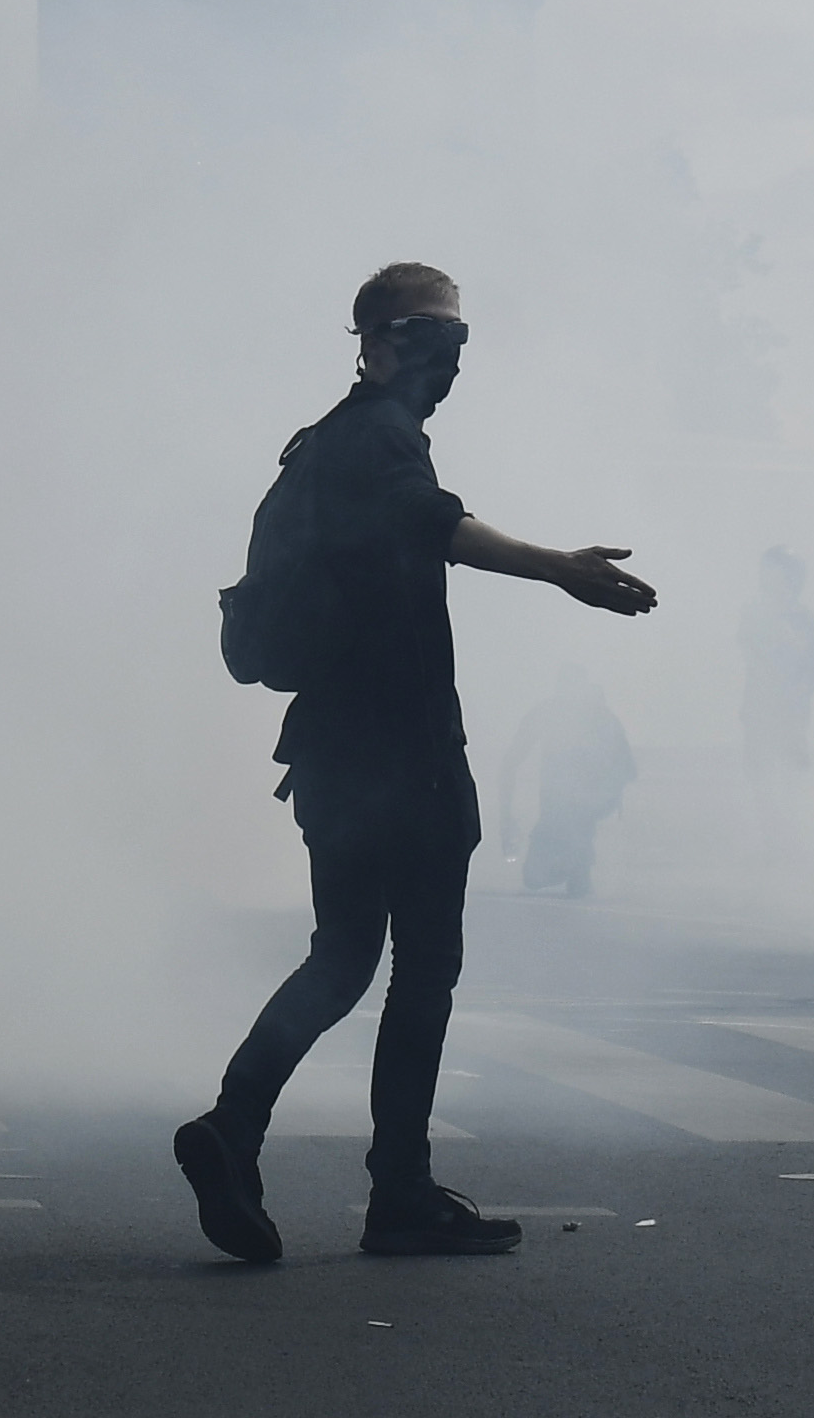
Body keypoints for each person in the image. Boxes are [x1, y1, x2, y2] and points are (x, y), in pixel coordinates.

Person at [178, 263, 655, 1267]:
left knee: (345, 954)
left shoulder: (320, 447)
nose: (448, 371)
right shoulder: (379, 440)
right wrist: (562, 567)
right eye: (434, 348)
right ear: (381, 345)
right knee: (423, 967)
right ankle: (398, 1192)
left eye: (459, 351)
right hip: (404, 755)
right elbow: (439, 525)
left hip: (332, 752)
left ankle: (235, 1126)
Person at [508, 667, 636, 899]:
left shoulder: (601, 718)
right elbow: (513, 758)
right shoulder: (548, 713)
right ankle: (574, 868)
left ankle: (579, 870)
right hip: (556, 802)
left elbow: (627, 766)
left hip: (586, 801)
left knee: (577, 837)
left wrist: (607, 792)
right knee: (534, 879)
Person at [737, 549, 814, 780]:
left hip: (790, 709)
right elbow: (749, 655)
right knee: (759, 773)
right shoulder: (754, 613)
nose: (765, 580)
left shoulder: (802, 618)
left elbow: (808, 667)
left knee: (791, 771)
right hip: (759, 707)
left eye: (773, 574)